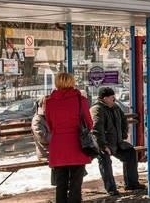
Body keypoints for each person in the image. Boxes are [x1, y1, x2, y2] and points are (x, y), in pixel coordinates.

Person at [45, 72, 93, 203]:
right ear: (72, 82)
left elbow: (49, 124)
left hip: (58, 146)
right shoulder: (80, 100)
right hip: (77, 145)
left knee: (61, 183)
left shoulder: (49, 102)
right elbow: (89, 123)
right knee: (76, 183)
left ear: (57, 82)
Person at [90, 87, 145, 196]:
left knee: (130, 152)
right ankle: (111, 188)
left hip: (117, 142)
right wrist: (103, 146)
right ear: (105, 98)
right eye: (112, 97)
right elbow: (96, 129)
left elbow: (123, 119)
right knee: (105, 160)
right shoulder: (97, 109)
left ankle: (132, 183)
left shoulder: (115, 107)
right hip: (103, 144)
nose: (114, 99)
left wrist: (123, 134)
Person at [31, 96, 50, 160]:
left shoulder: (49, 116)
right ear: (42, 105)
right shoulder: (37, 119)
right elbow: (43, 138)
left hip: (55, 151)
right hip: (46, 153)